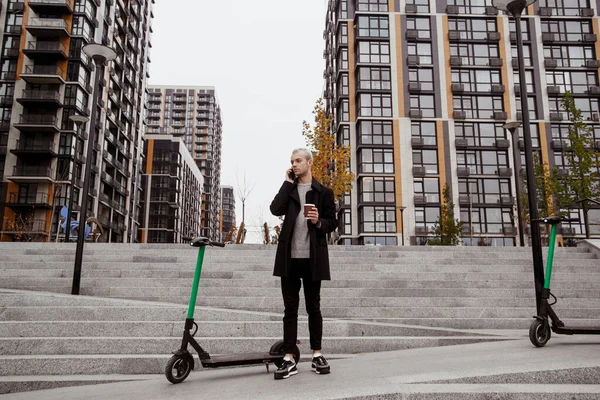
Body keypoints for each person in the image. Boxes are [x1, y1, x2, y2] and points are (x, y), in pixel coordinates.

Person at [269, 148, 338, 380]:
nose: (294, 165)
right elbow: (274, 209)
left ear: (309, 163)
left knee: (313, 308)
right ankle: (289, 357)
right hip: (289, 259)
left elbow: (332, 222)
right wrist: (286, 183)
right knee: (290, 310)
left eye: (298, 161)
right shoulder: (289, 190)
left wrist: (319, 222)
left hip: (313, 259)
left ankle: (317, 354)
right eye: (292, 161)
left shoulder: (324, 192)